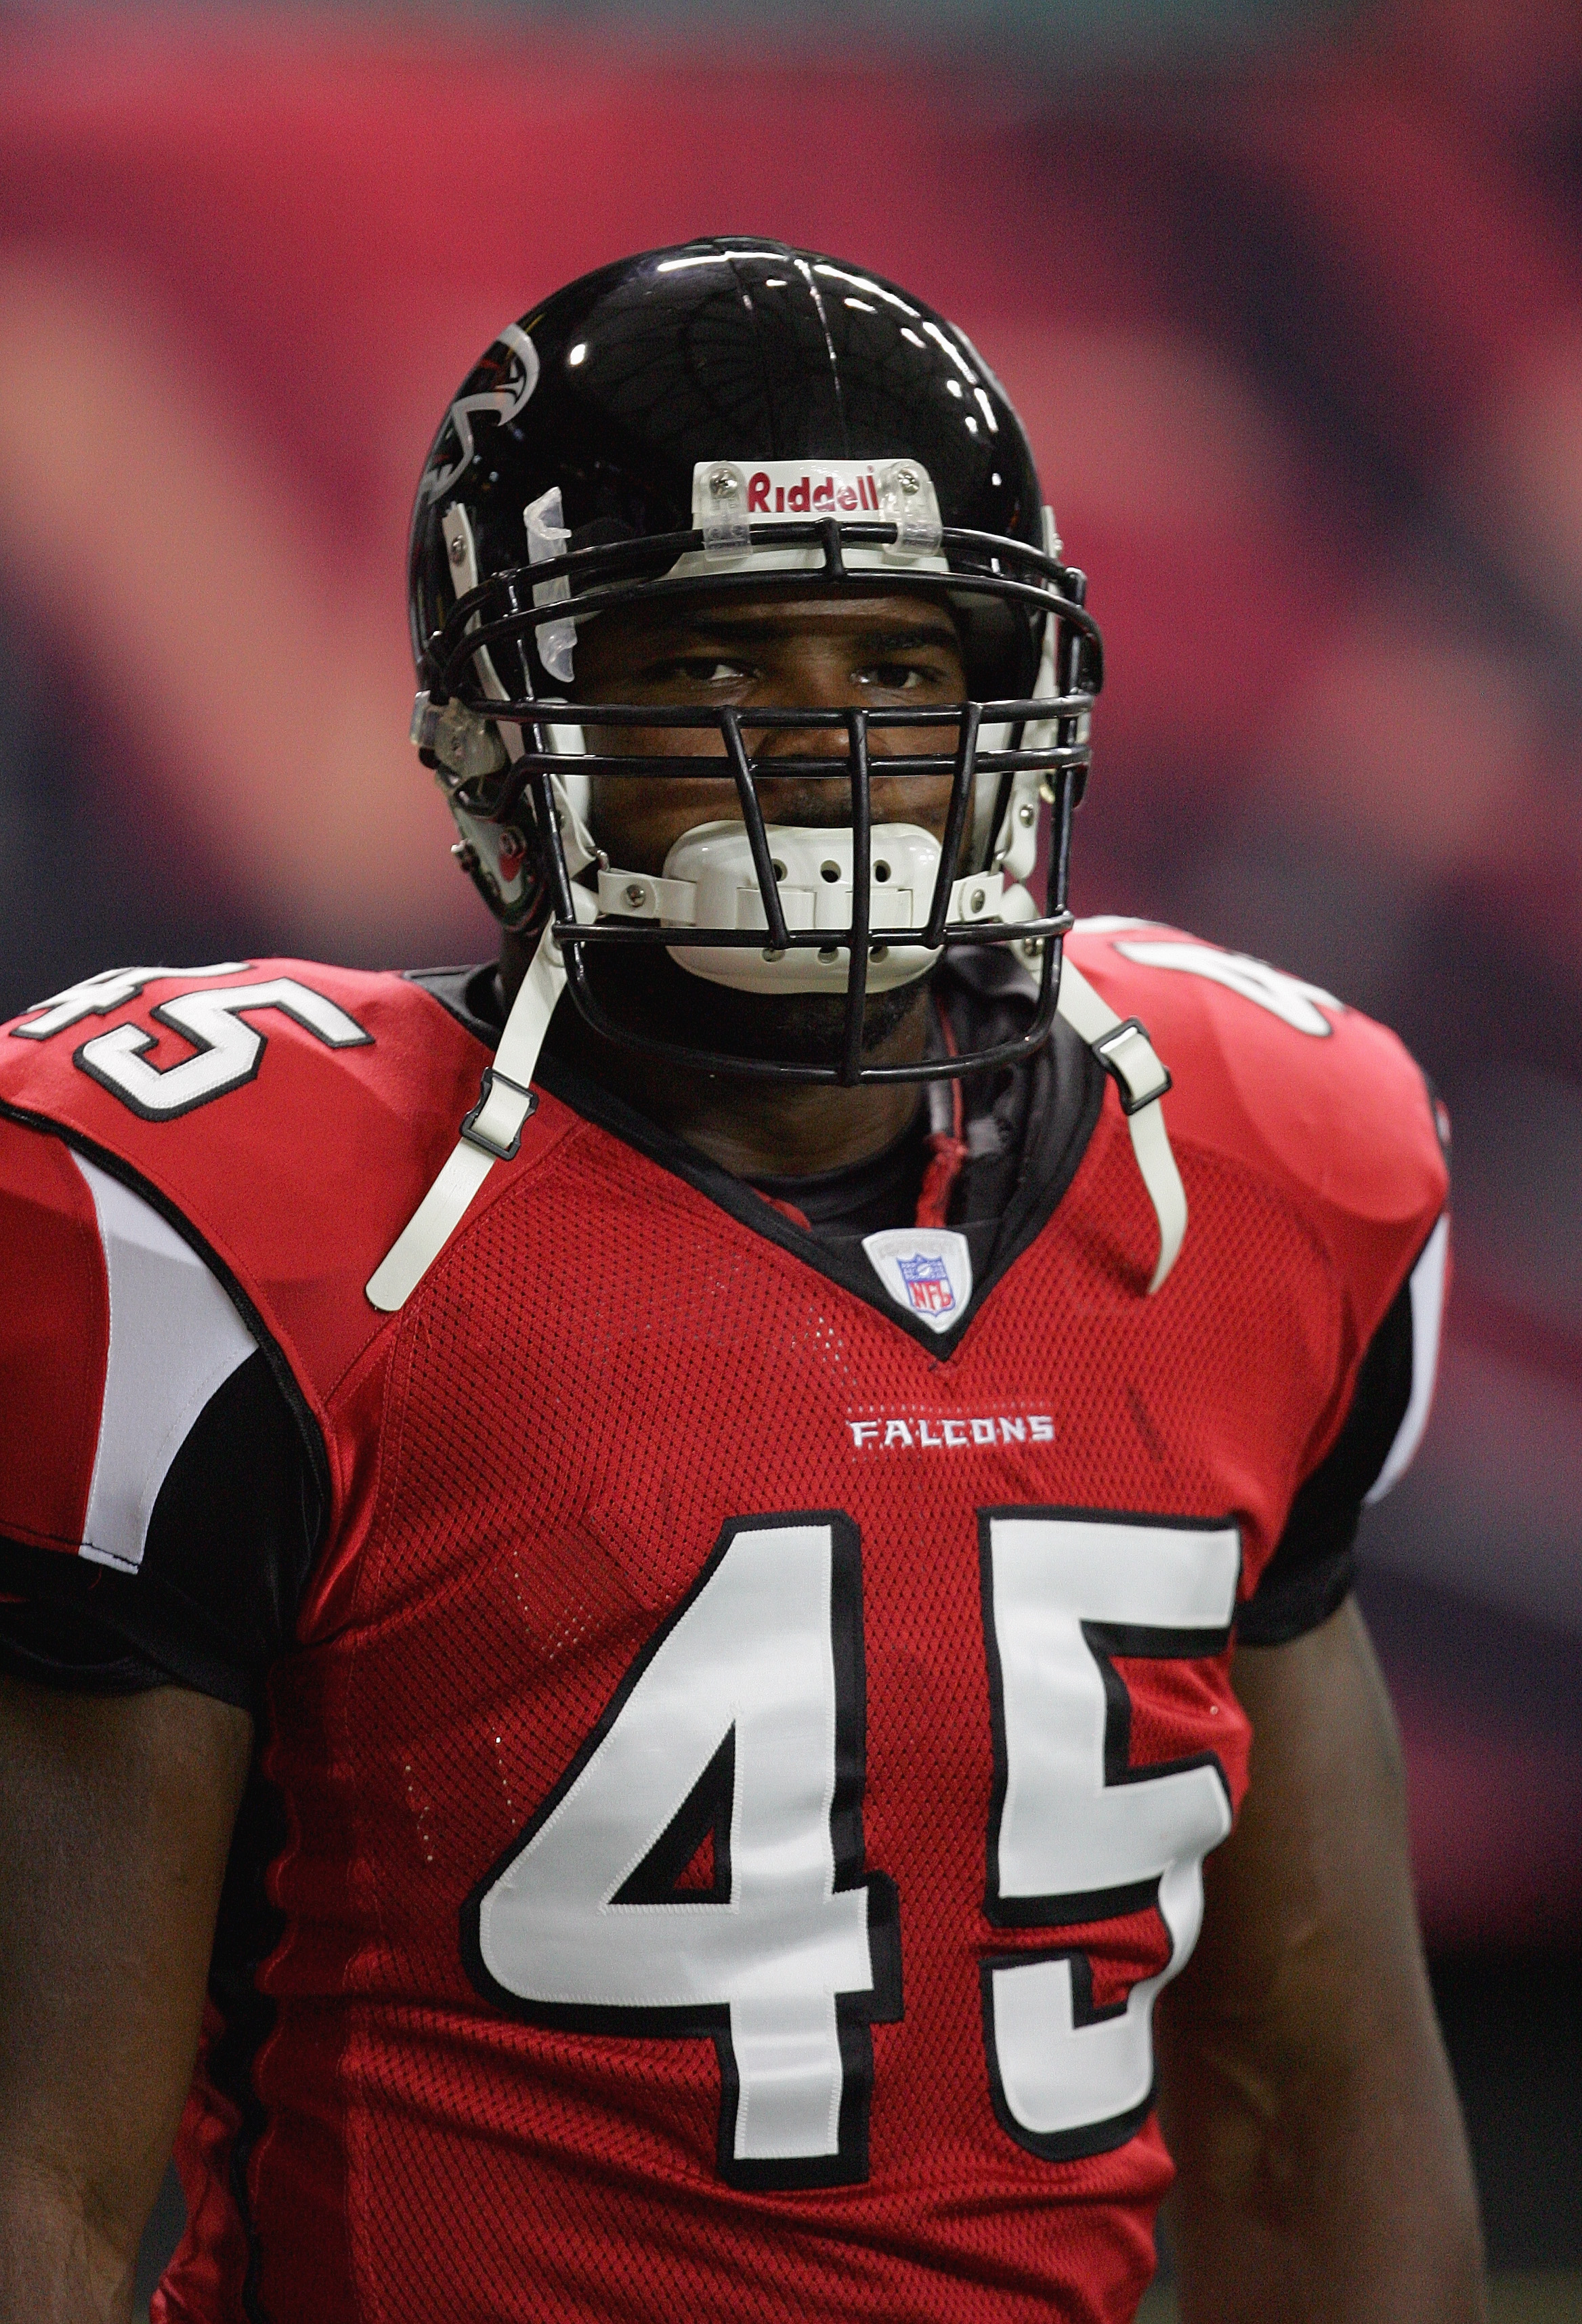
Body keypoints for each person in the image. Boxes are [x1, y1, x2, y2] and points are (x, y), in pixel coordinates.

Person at [0, 240, 1482, 2324]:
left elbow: (1304, 2092)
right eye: (710, 668)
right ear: (503, 720)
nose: (821, 759)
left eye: (898, 670)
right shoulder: (238, 1219)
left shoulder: (1255, 1165)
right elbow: (34, 2175)